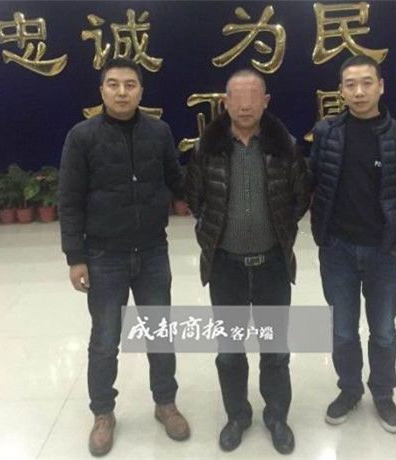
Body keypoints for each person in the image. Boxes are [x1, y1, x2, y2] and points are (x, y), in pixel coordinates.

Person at [59, 57, 190, 456]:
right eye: (113, 84)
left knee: (160, 334)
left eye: (129, 85)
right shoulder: (82, 137)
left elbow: (177, 182)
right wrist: (75, 257)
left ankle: (165, 403)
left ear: (140, 91)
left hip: (152, 251)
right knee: (105, 340)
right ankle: (103, 413)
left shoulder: (159, 132)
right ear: (102, 90)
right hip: (104, 256)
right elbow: (69, 201)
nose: (121, 92)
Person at [185, 69, 310, 455]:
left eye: (253, 97)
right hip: (226, 267)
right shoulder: (207, 148)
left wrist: (280, 231)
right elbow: (195, 198)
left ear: (266, 101)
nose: (244, 106)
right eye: (236, 98)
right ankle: (237, 416)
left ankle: (277, 416)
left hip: (272, 265)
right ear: (224, 102)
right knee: (229, 351)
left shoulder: (284, 146)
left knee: (275, 349)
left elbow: (300, 196)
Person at [309, 55, 396, 433]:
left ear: (381, 86)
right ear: (340, 91)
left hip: (385, 252)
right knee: (342, 331)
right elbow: (312, 182)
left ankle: (383, 393)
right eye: (350, 84)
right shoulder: (327, 133)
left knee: (384, 331)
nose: (358, 92)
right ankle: (349, 390)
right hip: (338, 251)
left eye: (366, 83)